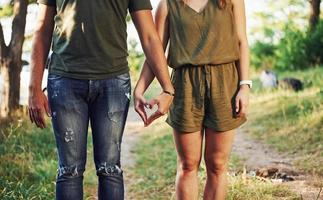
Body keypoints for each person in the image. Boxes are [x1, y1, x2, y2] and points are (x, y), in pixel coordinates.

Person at [28, 0, 174, 199]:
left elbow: (149, 36)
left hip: (113, 81)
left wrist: (167, 88)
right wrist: (33, 88)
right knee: (69, 170)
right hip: (65, 80)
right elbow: (42, 29)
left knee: (110, 168)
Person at [134, 0, 251, 199]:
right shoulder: (168, 5)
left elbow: (242, 41)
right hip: (185, 85)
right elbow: (156, 51)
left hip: (224, 84)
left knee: (217, 165)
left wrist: (245, 85)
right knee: (188, 165)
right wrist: (139, 88)